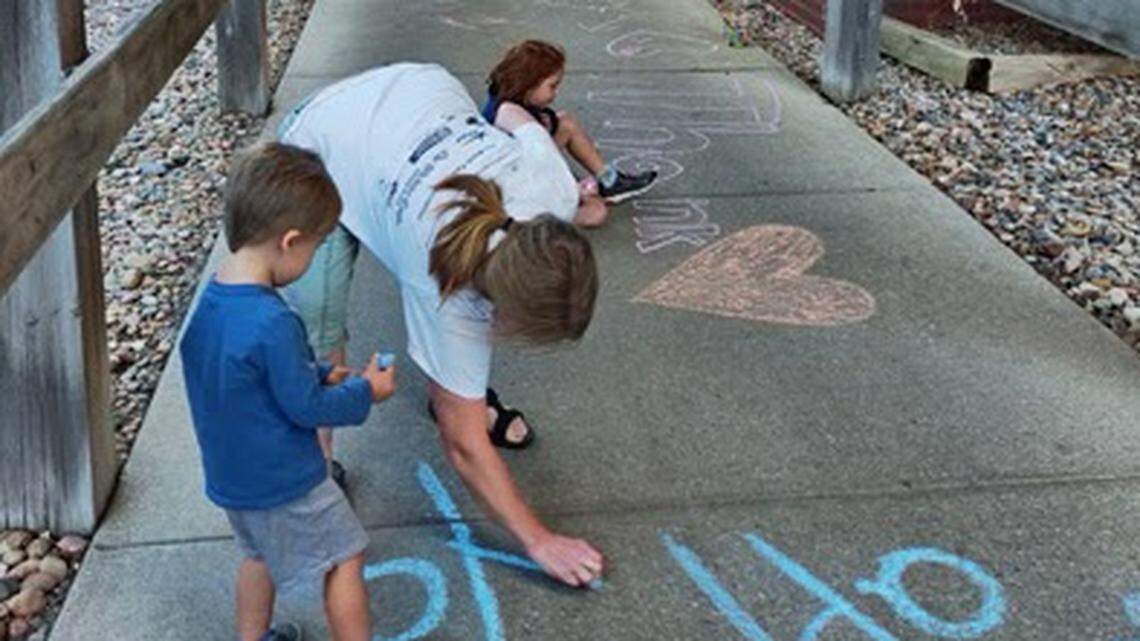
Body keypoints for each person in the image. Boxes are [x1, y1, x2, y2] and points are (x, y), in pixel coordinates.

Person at [279, 62, 605, 587]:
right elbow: (464, 446)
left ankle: (451, 384)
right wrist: (540, 541)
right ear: (495, 308)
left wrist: (589, 206)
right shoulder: (444, 286)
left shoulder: (552, 191)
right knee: (319, 329)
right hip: (321, 145)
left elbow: (511, 110)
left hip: (419, 90)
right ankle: (318, 472)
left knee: (457, 381)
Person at [180, 143, 397, 641]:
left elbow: (243, 378)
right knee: (345, 556)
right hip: (283, 480)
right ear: (289, 241)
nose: (315, 256)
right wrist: (367, 390)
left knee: (257, 556)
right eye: (317, 247)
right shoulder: (274, 320)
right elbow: (306, 409)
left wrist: (316, 371)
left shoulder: (211, 303)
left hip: (233, 479)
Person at [483, 39, 658, 204]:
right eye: (552, 86)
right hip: (512, 182)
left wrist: (548, 121)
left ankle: (609, 180)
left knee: (565, 122)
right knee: (594, 210)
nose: (556, 92)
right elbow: (532, 150)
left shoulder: (511, 97)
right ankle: (576, 192)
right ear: (528, 85)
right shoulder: (507, 113)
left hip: (520, 165)